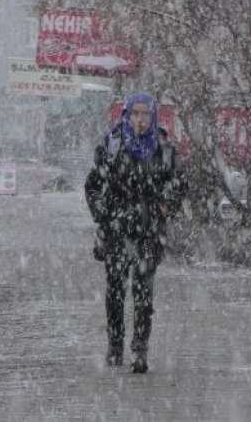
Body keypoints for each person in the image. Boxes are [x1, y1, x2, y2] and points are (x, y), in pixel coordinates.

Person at [84, 92, 186, 373]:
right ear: (127, 115)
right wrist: (104, 213)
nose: (140, 120)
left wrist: (165, 205)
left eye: (146, 114)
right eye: (135, 114)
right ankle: (115, 345)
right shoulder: (112, 144)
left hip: (148, 231)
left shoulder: (164, 147)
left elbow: (179, 183)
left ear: (153, 117)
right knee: (115, 291)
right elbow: (94, 185)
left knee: (143, 293)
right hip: (117, 230)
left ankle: (140, 349)